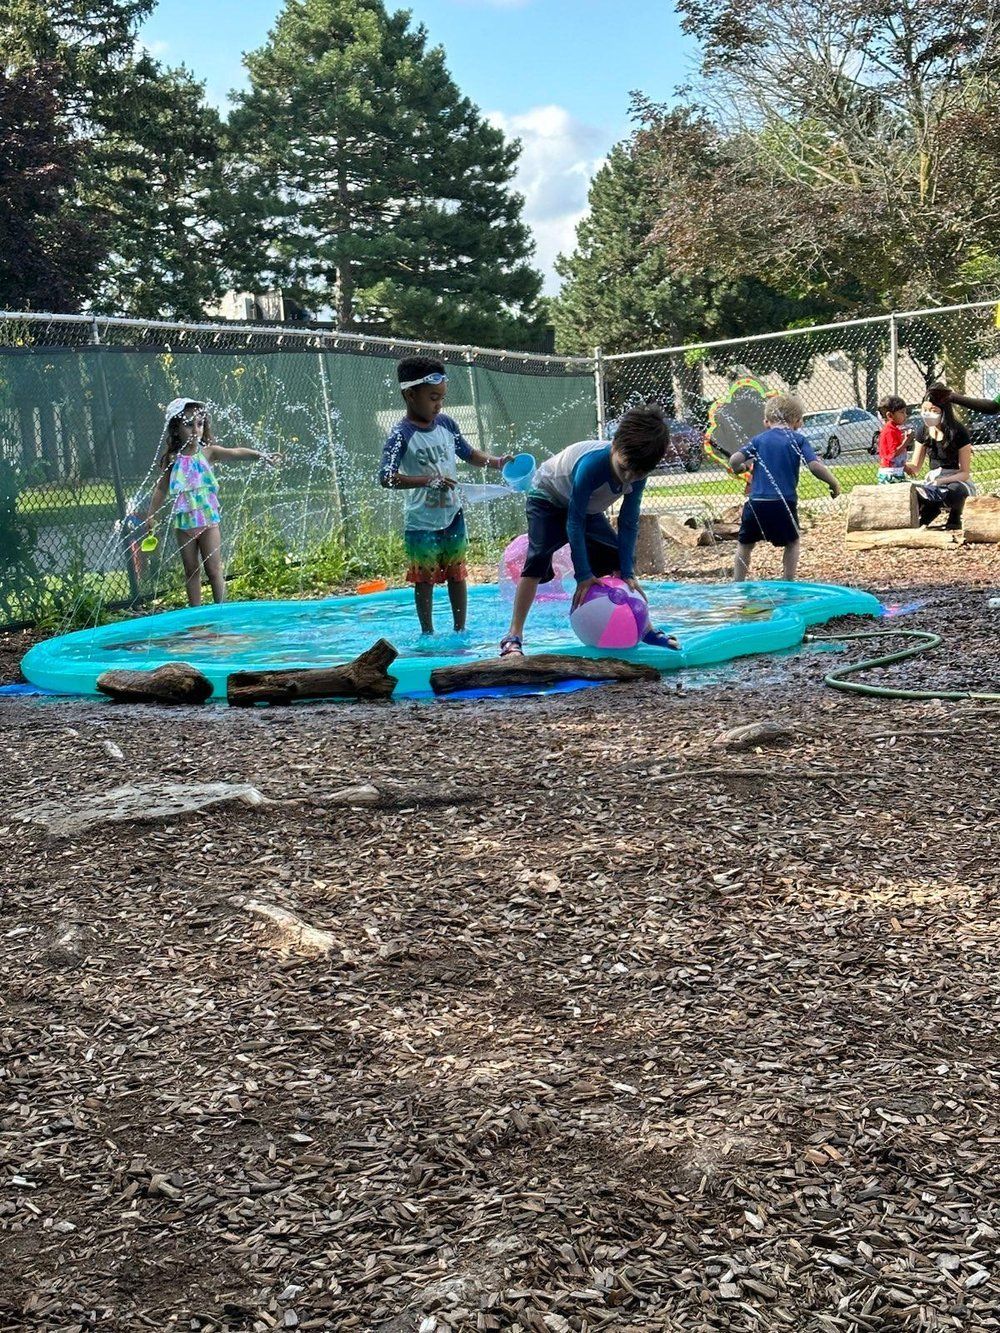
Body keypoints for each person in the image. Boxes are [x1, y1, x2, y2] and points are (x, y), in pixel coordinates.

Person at [499, 404, 680, 657]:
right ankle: (513, 635)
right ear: (615, 444)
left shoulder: (638, 472)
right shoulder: (592, 465)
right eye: (624, 468)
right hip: (548, 498)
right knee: (538, 558)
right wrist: (583, 575)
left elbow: (629, 521)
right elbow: (575, 521)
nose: (628, 478)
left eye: (637, 474)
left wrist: (627, 571)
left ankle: (645, 628)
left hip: (587, 509)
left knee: (617, 558)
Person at [378, 357, 511, 635]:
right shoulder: (401, 435)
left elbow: (470, 454)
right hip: (421, 522)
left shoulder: (447, 424)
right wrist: (427, 480)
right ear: (410, 394)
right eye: (433, 397)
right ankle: (427, 633)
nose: (439, 404)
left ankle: (460, 630)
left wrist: (497, 462)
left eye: (442, 398)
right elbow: (386, 478)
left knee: (457, 575)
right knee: (423, 580)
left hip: (452, 514)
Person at [146, 398, 281, 606]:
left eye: (199, 424)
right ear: (176, 428)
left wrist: (261, 456)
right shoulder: (172, 459)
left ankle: (221, 610)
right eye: (188, 424)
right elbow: (161, 488)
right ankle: (196, 615)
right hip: (184, 524)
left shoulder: (208, 453)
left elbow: (235, 453)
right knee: (191, 570)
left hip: (208, 521)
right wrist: (151, 514)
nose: (195, 430)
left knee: (214, 569)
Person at [728, 393, 841, 582]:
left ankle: (737, 583)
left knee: (745, 544)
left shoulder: (759, 440)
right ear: (798, 422)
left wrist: (739, 468)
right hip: (783, 502)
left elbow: (734, 460)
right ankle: (788, 581)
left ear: (766, 421)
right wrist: (834, 483)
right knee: (792, 542)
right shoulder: (798, 440)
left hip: (756, 503)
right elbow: (814, 466)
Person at [909, 388, 974, 530]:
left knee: (955, 491)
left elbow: (965, 473)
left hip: (955, 479)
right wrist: (896, 461)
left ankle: (955, 518)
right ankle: (927, 514)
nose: (927, 414)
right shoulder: (923, 431)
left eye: (933, 410)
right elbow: (915, 466)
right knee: (913, 491)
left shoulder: (958, 432)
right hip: (932, 479)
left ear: (943, 411)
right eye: (924, 409)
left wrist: (941, 481)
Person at [876, 394, 913, 483]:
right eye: (902, 412)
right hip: (890, 473)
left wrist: (905, 467)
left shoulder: (894, 429)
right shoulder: (889, 431)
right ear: (890, 415)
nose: (905, 415)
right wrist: (906, 441)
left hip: (896, 471)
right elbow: (893, 454)